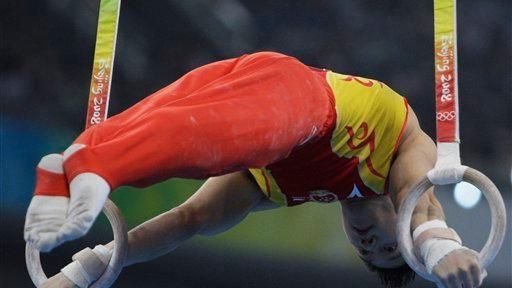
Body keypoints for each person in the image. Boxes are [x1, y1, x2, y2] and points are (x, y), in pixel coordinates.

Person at [24, 52, 484, 288]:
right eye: (388, 244)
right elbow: (422, 209)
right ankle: (96, 167)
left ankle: (69, 170)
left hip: (245, 82)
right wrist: (436, 250)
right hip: (300, 98)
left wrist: (84, 271)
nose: (368, 242)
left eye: (367, 252)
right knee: (198, 140)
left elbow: (186, 221)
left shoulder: (283, 192)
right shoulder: (406, 150)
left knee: (159, 119)